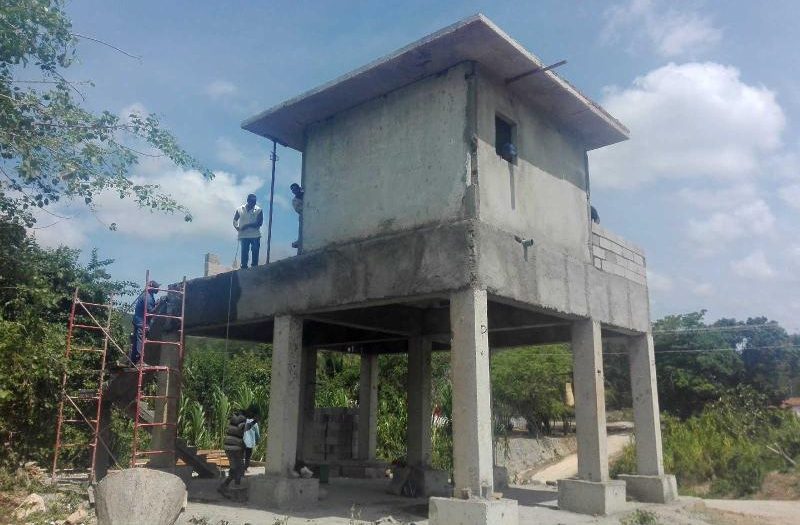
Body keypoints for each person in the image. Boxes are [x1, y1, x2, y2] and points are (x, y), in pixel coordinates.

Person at [130, 280, 159, 365]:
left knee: (136, 340)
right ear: (152, 288)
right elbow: (150, 312)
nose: (158, 290)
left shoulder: (148, 295)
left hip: (138, 320)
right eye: (157, 288)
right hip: (141, 322)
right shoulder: (148, 297)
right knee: (140, 340)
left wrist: (155, 304)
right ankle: (139, 360)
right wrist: (159, 305)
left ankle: (134, 360)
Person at [219, 411, 247, 496]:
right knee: (240, 467)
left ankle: (224, 486)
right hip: (236, 447)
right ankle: (236, 489)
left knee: (234, 467)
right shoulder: (242, 419)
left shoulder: (232, 420)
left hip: (228, 447)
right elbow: (242, 428)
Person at [233, 194, 263, 268]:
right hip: (244, 235)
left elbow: (259, 223)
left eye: (255, 202)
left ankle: (254, 266)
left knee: (255, 250)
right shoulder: (240, 209)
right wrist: (237, 227)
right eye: (252, 201)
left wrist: (247, 226)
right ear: (248, 201)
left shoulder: (259, 210)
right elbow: (235, 220)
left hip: (255, 235)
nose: (254, 203)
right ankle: (244, 266)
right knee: (244, 251)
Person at [290, 183, 304, 249]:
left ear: (299, 188)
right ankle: (300, 240)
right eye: (293, 190)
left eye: (296, 189)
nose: (295, 191)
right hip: (304, 217)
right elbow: (299, 210)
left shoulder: (307, 193)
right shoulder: (295, 201)